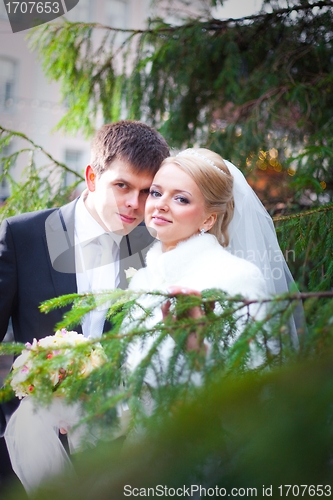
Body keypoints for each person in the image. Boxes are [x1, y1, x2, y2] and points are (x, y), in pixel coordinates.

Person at [0, 120, 169, 491]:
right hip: (31, 437)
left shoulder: (153, 250)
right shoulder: (22, 235)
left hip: (116, 443)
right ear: (92, 177)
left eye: (147, 192)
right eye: (122, 185)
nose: (134, 204)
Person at [125, 148, 301, 383]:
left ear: (208, 219)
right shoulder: (141, 280)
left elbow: (256, 386)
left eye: (181, 198)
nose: (161, 205)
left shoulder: (238, 278)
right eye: (156, 193)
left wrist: (198, 352)